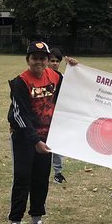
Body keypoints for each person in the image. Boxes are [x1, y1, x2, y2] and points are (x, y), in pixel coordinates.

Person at [3, 40, 62, 224]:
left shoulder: (55, 76)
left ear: (48, 60)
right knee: (22, 177)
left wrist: (75, 67)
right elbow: (20, 115)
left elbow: (70, 95)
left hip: (47, 138)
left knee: (41, 178)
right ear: (28, 60)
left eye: (42, 58)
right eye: (34, 58)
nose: (38, 62)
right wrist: (35, 140)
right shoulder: (21, 82)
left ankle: (37, 222)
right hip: (24, 138)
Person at [47, 47, 67, 184]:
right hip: (44, 116)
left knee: (57, 145)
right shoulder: (42, 77)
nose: (54, 63)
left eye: (57, 61)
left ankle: (58, 172)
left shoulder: (61, 78)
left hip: (57, 116)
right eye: (52, 61)